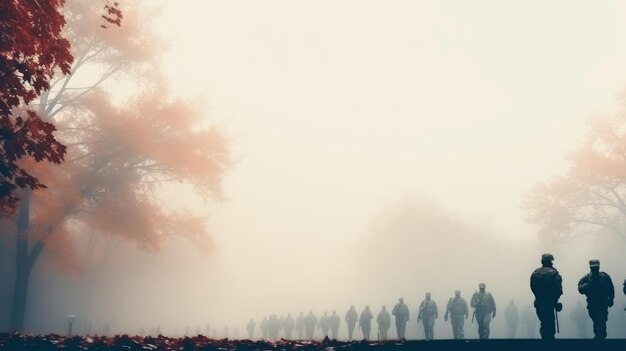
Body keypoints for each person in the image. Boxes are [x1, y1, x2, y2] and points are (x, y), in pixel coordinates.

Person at [577, 259, 615, 339]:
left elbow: (611, 289)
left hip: (602, 303)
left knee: (601, 321)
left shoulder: (604, 277)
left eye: (596, 267)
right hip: (592, 304)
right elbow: (580, 289)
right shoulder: (586, 278)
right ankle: (599, 337)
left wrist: (611, 299)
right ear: (590, 268)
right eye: (593, 268)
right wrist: (588, 285)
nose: (595, 269)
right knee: (596, 320)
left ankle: (599, 338)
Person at [530, 253, 563, 339]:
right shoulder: (554, 273)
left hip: (539, 303)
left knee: (544, 324)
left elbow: (532, 287)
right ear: (550, 262)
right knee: (550, 327)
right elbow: (558, 290)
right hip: (549, 304)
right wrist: (555, 302)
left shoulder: (535, 273)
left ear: (542, 261)